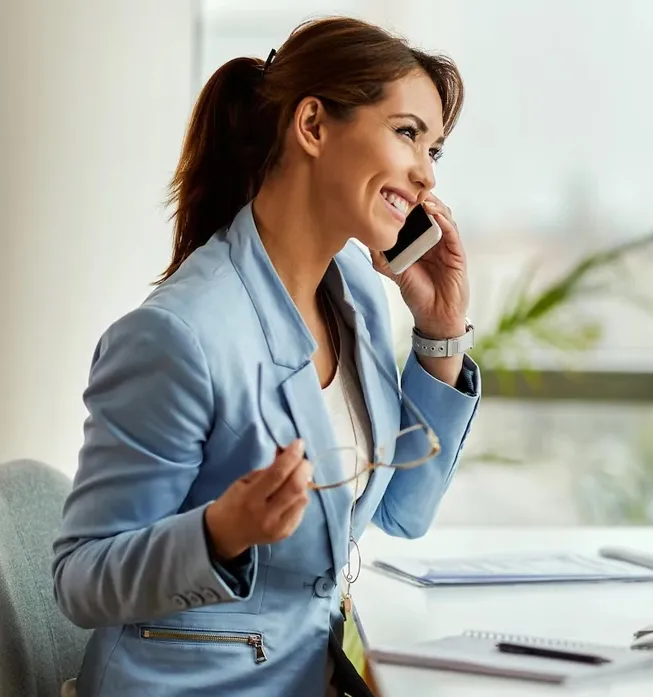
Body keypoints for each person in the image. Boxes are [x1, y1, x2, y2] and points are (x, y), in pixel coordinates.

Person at [52, 15, 480, 697]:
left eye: (435, 149)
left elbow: (403, 510)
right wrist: (219, 532)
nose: (426, 174)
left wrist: (440, 330)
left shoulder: (359, 301)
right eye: (407, 134)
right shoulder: (179, 336)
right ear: (312, 125)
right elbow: (81, 577)